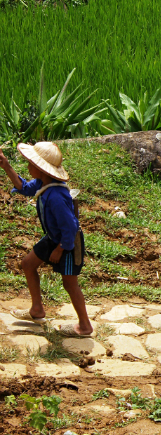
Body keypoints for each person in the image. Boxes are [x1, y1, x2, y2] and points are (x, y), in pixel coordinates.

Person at [0, 142, 91, 337]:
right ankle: (37, 310)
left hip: (67, 242)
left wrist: (60, 249)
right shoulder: (43, 184)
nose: (28, 167)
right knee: (28, 264)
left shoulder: (56, 195)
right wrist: (6, 165)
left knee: (69, 284)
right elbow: (23, 187)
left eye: (30, 163)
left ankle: (85, 326)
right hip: (54, 238)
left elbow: (70, 227)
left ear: (41, 168)